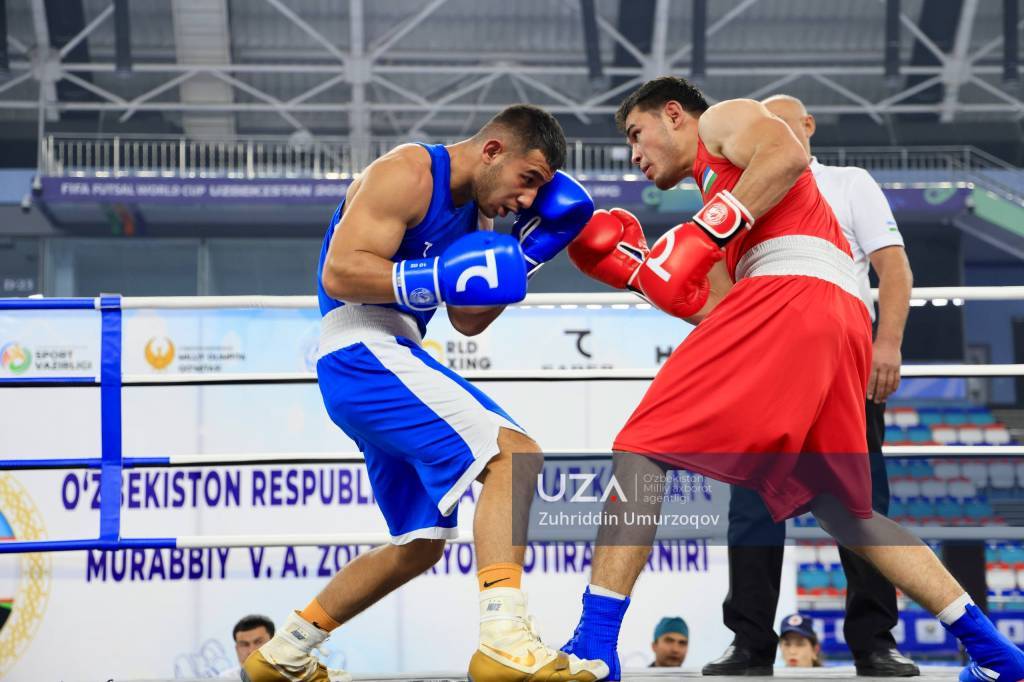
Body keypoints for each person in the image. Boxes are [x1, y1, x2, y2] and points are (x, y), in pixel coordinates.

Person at [559, 75, 1024, 682]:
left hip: (796, 297)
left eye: (635, 133)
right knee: (849, 514)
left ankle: (595, 643)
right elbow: (722, 314)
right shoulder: (729, 204)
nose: (633, 154)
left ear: (673, 114)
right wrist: (643, 277)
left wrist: (702, 232)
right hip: (831, 318)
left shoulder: (722, 121)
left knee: (640, 450)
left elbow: (786, 153)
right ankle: (995, 653)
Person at [243, 105, 608, 682]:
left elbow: (467, 317)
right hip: (361, 348)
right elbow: (341, 272)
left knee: (419, 543)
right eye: (528, 180)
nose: (526, 201)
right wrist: (435, 276)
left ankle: (284, 653)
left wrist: (529, 254)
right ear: (493, 150)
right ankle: (504, 641)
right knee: (516, 456)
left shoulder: (479, 216)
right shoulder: (408, 172)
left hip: (388, 355)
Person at [702, 93, 918, 677]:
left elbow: (893, 268)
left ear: (809, 125)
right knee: (751, 506)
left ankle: (874, 642)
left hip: (841, 362)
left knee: (862, 503)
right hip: (765, 367)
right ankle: (749, 644)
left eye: (782, 121)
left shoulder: (849, 183)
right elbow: (720, 286)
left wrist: (887, 344)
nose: (771, 130)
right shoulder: (739, 194)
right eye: (762, 123)